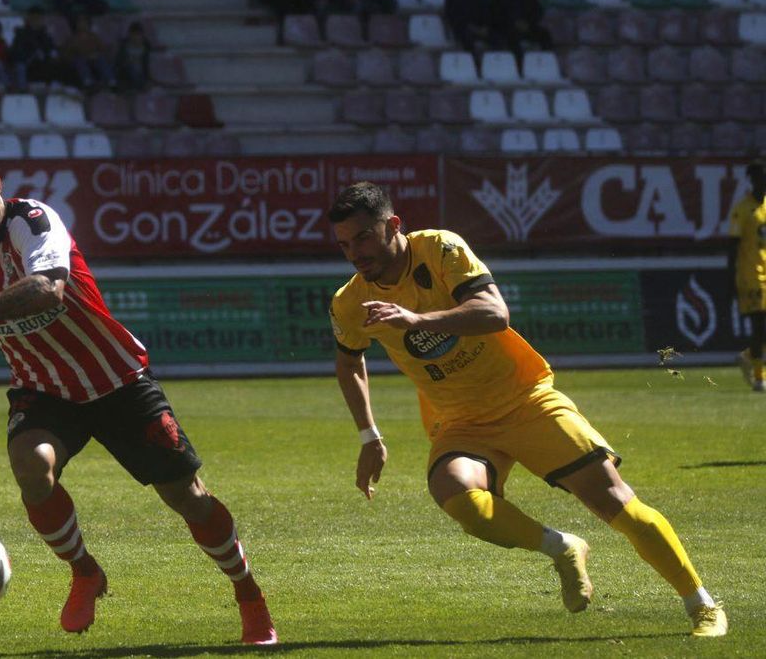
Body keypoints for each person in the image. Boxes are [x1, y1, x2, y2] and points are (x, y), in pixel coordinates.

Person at [0, 137, 277, 645]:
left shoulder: (32, 221)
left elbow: (46, 288)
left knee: (187, 497)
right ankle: (84, 571)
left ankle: (249, 595)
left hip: (117, 380)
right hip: (43, 389)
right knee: (32, 468)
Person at [326, 181, 727, 637]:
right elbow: (348, 361)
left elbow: (494, 312)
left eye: (362, 237)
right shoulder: (350, 301)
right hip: (462, 422)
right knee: (457, 495)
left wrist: (419, 320)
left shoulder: (439, 249)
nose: (354, 252)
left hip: (526, 400)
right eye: (343, 244)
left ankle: (703, 605)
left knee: (614, 502)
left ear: (393, 225)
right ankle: (562, 547)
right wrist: (369, 436)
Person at [729, 157, 766, 392]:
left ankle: (747, 357)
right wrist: (731, 278)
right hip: (750, 276)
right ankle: (760, 378)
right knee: (760, 327)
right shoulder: (742, 209)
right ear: (753, 180)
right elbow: (732, 246)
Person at [488, 0, 553, 72]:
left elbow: (537, 11)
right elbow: (494, 16)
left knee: (545, 35)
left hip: (527, 27)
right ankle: (519, 69)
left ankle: (547, 67)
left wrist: (528, 23)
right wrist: (513, 23)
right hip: (506, 29)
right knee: (511, 39)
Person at [10, 6, 63, 91]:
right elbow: (17, 53)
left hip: (43, 65)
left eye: (39, 18)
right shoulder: (21, 34)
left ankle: (56, 86)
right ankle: (23, 90)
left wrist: (50, 54)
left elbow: (51, 49)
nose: (37, 21)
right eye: (34, 18)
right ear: (29, 19)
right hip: (28, 65)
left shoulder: (46, 35)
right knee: (21, 66)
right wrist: (32, 54)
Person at [444, 0, 494, 69]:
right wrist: (471, 27)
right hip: (462, 29)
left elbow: (487, 13)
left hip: (480, 29)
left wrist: (485, 27)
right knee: (468, 39)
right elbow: (452, 16)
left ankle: (493, 66)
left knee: (497, 37)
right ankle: (475, 67)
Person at [61, 14, 115, 91]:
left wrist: (96, 55)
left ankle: (111, 81)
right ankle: (88, 83)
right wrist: (80, 56)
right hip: (79, 61)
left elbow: (103, 49)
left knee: (101, 60)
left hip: (94, 59)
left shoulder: (94, 37)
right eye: (79, 22)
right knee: (80, 61)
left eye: (84, 22)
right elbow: (66, 54)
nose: (82, 25)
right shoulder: (72, 39)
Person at [114, 21, 150, 92]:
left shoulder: (147, 47)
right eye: (134, 34)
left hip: (141, 74)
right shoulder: (123, 47)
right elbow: (118, 64)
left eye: (138, 35)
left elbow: (148, 65)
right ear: (129, 35)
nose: (136, 37)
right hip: (126, 75)